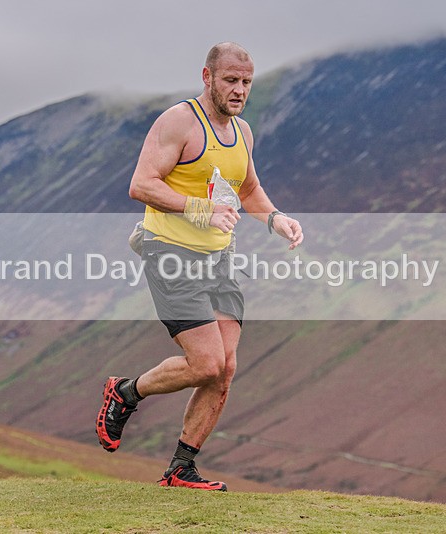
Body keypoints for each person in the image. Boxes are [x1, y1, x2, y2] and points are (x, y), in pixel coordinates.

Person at [96, 42, 303, 491]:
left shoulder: (243, 133)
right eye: (231, 80)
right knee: (206, 363)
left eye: (246, 82)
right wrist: (199, 209)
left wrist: (275, 218)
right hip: (170, 252)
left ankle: (180, 469)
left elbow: (248, 189)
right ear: (207, 77)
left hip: (219, 259)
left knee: (225, 368)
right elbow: (141, 184)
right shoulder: (178, 122)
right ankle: (125, 393)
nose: (239, 90)